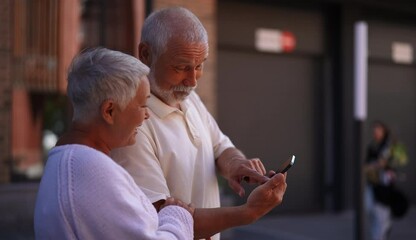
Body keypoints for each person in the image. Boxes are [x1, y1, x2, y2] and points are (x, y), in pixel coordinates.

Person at [111, 7, 287, 240]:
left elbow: (219, 146)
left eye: (200, 65)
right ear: (145, 54)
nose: (192, 80)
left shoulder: (188, 98)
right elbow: (159, 217)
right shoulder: (133, 126)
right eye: (181, 67)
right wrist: (248, 212)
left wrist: (236, 164)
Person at [34, 47, 195, 239]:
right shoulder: (90, 169)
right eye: (143, 104)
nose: (147, 115)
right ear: (109, 111)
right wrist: (177, 215)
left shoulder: (65, 161)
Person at [364, 121, 395, 240]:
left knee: (381, 213)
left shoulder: (388, 146)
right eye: (374, 131)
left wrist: (372, 166)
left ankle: (381, 234)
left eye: (378, 130)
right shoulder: (372, 146)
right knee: (370, 209)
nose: (375, 133)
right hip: (372, 182)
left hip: (383, 184)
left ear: (384, 131)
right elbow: (367, 164)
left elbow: (383, 163)